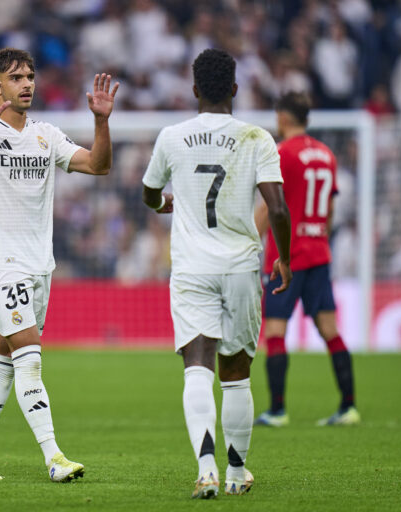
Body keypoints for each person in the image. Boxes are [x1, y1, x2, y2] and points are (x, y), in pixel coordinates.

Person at [0, 48, 118, 482]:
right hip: (1, 264)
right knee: (30, 358)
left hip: (39, 266)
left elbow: (99, 165)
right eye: (16, 77)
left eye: (30, 76)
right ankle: (54, 457)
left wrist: (102, 121)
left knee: (4, 360)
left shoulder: (46, 135)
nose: (28, 84)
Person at [142, 48, 292, 499]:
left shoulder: (172, 136)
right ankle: (236, 472)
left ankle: (205, 467)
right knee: (237, 373)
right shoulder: (256, 137)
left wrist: (165, 204)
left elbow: (149, 194)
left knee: (196, 370)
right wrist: (283, 256)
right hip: (242, 266)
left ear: (193, 90)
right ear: (234, 89)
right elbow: (279, 209)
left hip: (192, 268)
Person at [254, 92, 359, 428]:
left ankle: (278, 410)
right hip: (318, 253)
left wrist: (243, 243)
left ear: (283, 117)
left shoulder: (282, 153)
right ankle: (348, 406)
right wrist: (319, 238)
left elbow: (271, 206)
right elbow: (328, 209)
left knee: (274, 330)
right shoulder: (326, 154)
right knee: (329, 329)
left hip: (286, 257)